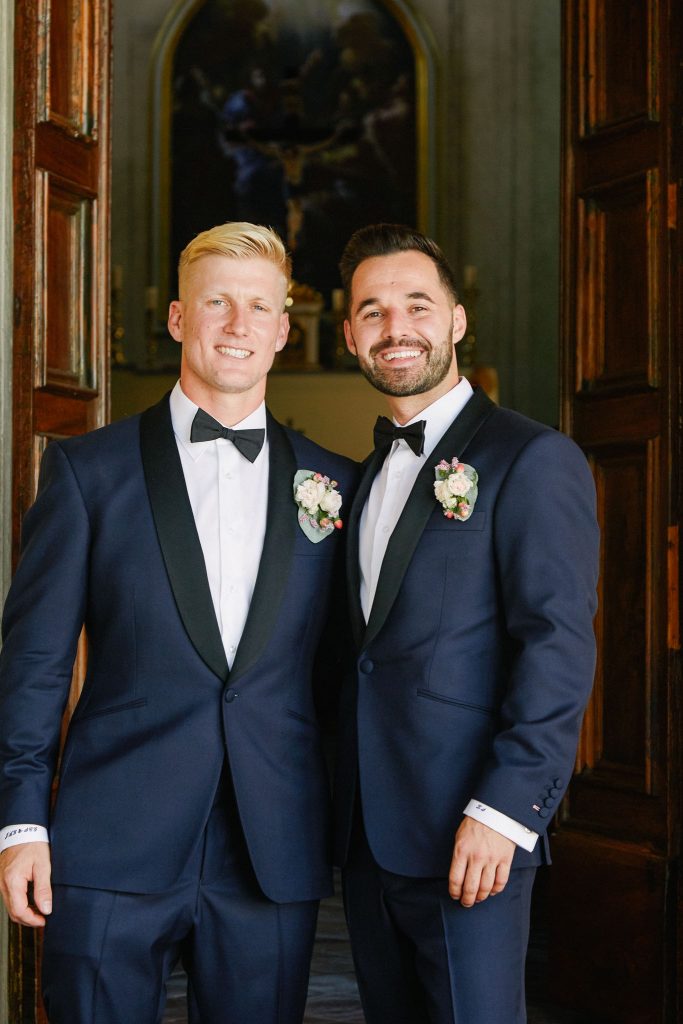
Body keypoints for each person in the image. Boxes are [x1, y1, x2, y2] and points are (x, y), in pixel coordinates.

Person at [0, 222, 357, 1024]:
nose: (238, 325)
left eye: (258, 307)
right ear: (175, 318)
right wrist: (21, 821)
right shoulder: (88, 473)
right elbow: (34, 663)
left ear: (281, 331)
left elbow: (352, 671)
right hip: (110, 839)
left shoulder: (336, 483)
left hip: (272, 850)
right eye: (217, 303)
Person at [334, 223, 599, 1024]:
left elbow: (555, 643)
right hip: (369, 839)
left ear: (455, 320)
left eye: (417, 304)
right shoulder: (364, 472)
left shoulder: (531, 458)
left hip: (469, 833)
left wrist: (505, 812)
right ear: (348, 335)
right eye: (372, 311)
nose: (395, 328)